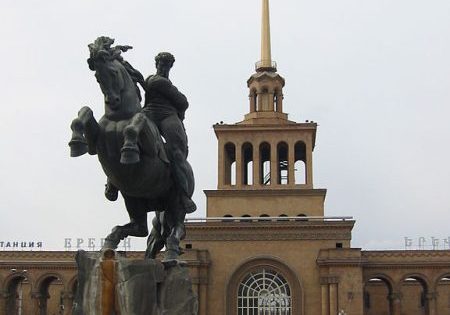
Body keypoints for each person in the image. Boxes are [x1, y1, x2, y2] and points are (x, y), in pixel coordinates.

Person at [141, 52, 196, 214]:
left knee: (177, 154)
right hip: (149, 113)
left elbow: (183, 102)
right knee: (130, 130)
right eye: (162, 65)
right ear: (156, 65)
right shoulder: (152, 80)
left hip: (167, 114)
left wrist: (179, 114)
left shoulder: (158, 82)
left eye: (167, 66)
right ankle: (113, 180)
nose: (164, 68)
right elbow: (181, 100)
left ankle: (184, 195)